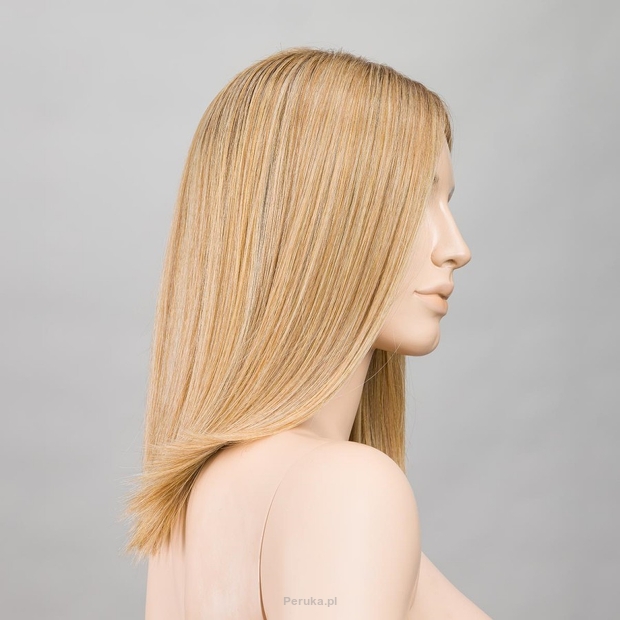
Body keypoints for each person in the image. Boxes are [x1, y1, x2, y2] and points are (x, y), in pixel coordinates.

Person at [121, 45, 492, 619]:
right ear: (325, 224)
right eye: (416, 200)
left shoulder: (189, 512)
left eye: (445, 202)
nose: (456, 247)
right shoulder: (345, 490)